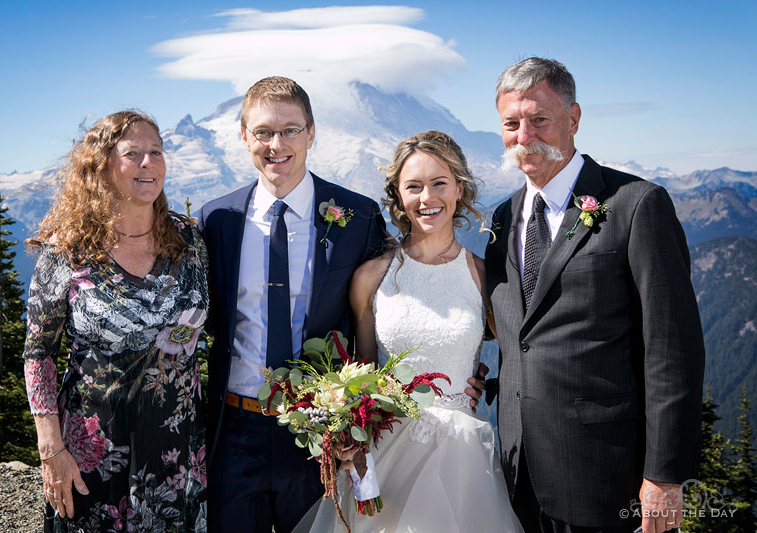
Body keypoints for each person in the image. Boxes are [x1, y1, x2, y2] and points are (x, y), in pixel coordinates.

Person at [481, 57, 705, 532]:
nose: (525, 136)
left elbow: (672, 349)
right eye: (511, 123)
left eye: (540, 119)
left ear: (574, 118)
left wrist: (664, 476)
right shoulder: (502, 218)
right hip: (516, 472)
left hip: (606, 474)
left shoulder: (636, 205)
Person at [298, 130, 523, 532]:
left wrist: (485, 383)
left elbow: (522, 352)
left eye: (439, 183)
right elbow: (362, 372)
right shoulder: (372, 277)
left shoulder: (484, 276)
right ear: (398, 196)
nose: (427, 198)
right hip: (387, 452)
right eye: (413, 186)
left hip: (462, 456)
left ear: (459, 189)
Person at [199, 76, 387, 533]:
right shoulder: (216, 220)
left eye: (291, 130)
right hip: (235, 429)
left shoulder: (358, 217)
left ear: (311, 133)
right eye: (263, 131)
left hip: (319, 433)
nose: (276, 144)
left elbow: (392, 308)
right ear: (244, 137)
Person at [23, 110, 209, 532]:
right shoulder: (67, 248)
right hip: (92, 450)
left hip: (178, 452)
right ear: (102, 166)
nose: (148, 163)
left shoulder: (191, 239)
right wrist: (50, 448)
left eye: (156, 152)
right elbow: (39, 355)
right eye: (133, 153)